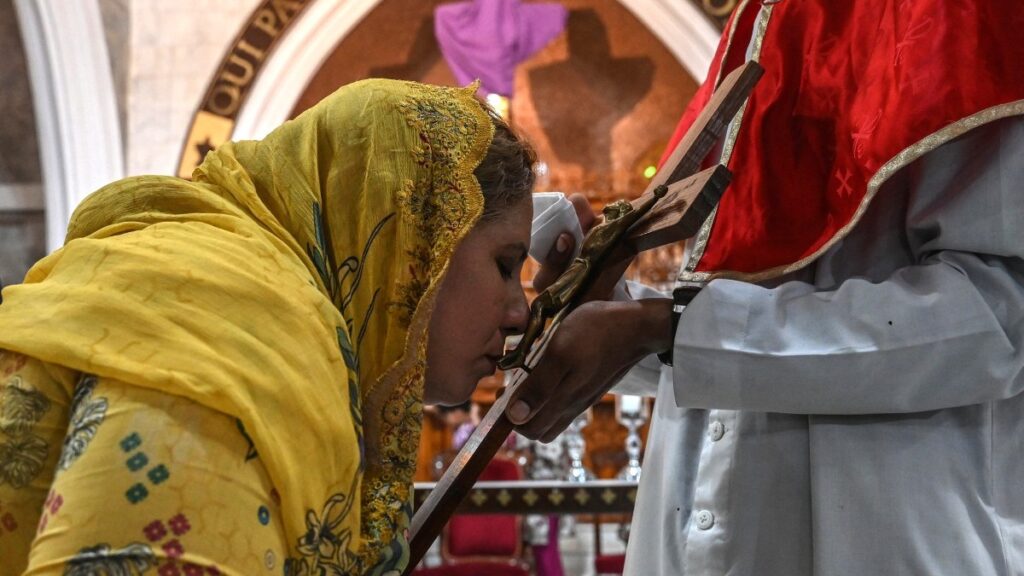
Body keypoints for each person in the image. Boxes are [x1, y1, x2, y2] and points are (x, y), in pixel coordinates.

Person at [507, 1, 1024, 574]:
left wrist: (670, 329)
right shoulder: (759, 19)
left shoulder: (958, 14)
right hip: (694, 515)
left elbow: (999, 319)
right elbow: (717, 325)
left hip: (884, 528)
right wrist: (622, 318)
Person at [0, 79, 535, 575]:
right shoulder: (230, 332)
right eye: (506, 265)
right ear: (419, 241)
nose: (520, 313)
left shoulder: (226, 291)